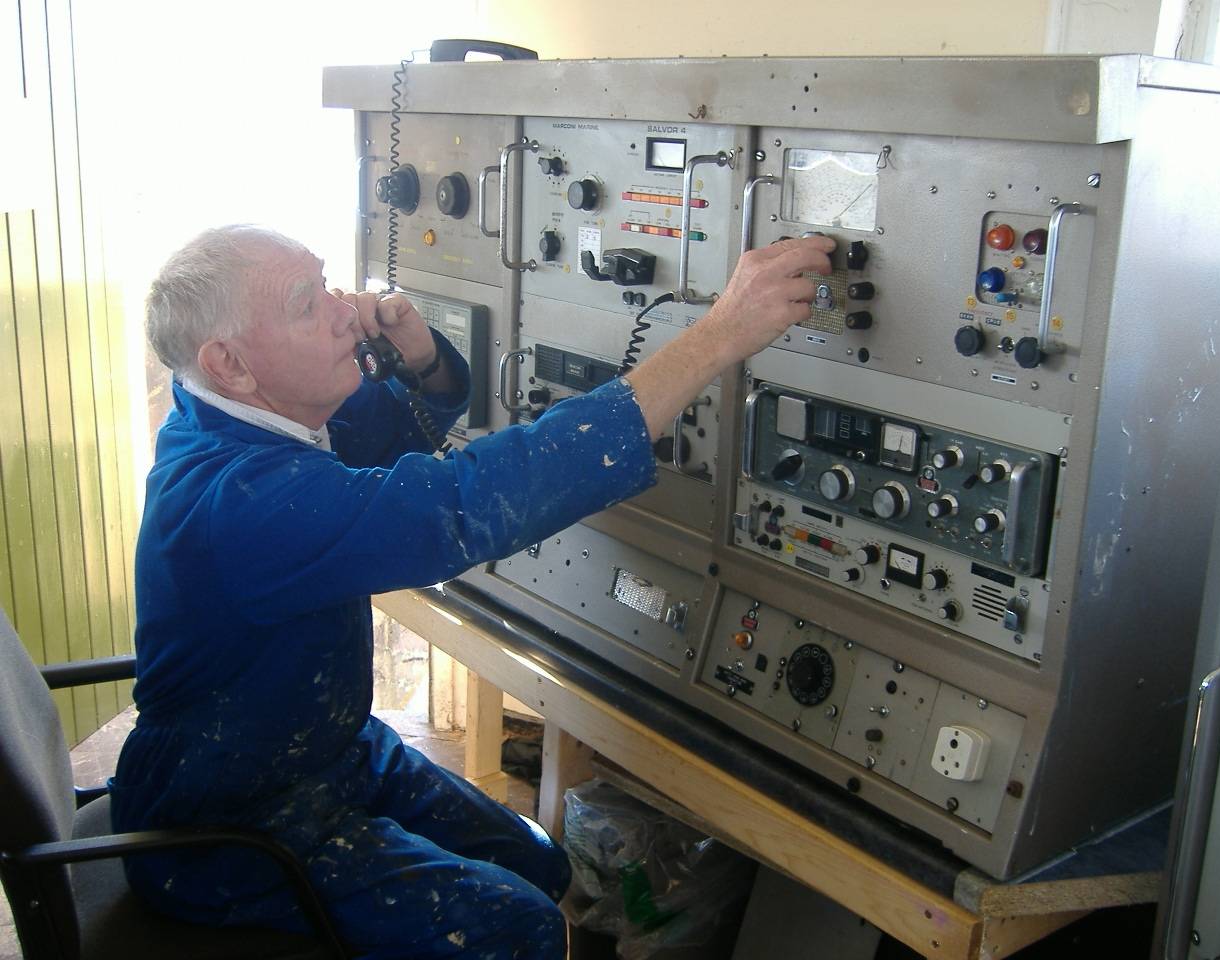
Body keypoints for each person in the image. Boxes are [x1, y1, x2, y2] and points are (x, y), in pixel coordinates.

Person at [110, 224, 835, 959]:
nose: (343, 310)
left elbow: (395, 428)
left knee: (539, 860)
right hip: (231, 820)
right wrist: (717, 337)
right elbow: (461, 503)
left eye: (328, 282)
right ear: (228, 363)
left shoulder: (251, 419)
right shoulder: (239, 504)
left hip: (329, 757)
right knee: (510, 923)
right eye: (307, 304)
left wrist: (419, 358)